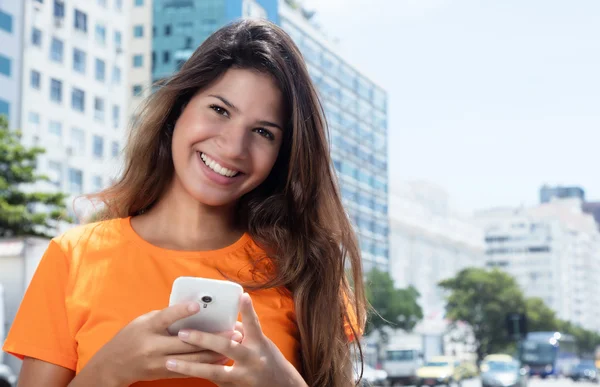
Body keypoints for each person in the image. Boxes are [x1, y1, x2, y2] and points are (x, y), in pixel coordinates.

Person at [3, 19, 366, 387]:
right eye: (220, 110)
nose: (233, 147)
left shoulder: (307, 268)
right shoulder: (73, 257)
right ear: (179, 108)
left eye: (262, 132)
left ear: (282, 154)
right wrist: (107, 371)